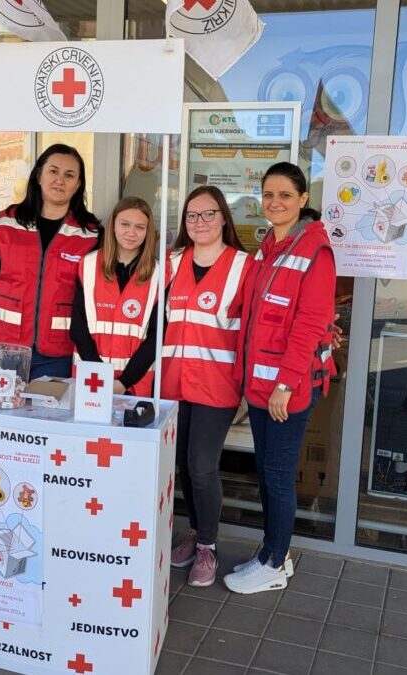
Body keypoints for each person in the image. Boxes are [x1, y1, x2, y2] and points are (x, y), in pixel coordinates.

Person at [224, 162, 336, 594]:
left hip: (285, 391)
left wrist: (286, 385)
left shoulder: (315, 251)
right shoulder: (267, 247)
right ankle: (274, 552)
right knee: (267, 473)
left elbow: (309, 325)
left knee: (277, 474)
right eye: (268, 195)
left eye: (285, 196)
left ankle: (273, 564)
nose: (275, 203)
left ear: (303, 200)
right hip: (258, 386)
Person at [165, 185, 254, 587]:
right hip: (171, 384)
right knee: (182, 464)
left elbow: (255, 327)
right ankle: (195, 532)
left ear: (223, 218)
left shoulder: (243, 266)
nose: (200, 222)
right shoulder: (172, 262)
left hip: (217, 387)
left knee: (202, 467)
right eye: (192, 216)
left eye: (208, 214)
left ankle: (208, 547)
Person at [0, 143, 101, 380]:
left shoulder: (90, 235)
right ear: (39, 176)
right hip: (4, 350)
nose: (60, 180)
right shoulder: (7, 225)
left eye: (69, 175)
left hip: (58, 356)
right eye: (53, 171)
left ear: (78, 184)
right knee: (3, 415)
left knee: (49, 416)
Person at [70, 196, 159, 396]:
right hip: (91, 378)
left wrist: (123, 382)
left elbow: (156, 337)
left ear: (148, 232)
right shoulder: (89, 265)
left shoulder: (159, 274)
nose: (131, 232)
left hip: (134, 384)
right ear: (113, 225)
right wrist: (100, 374)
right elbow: (78, 327)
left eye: (140, 227)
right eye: (125, 224)